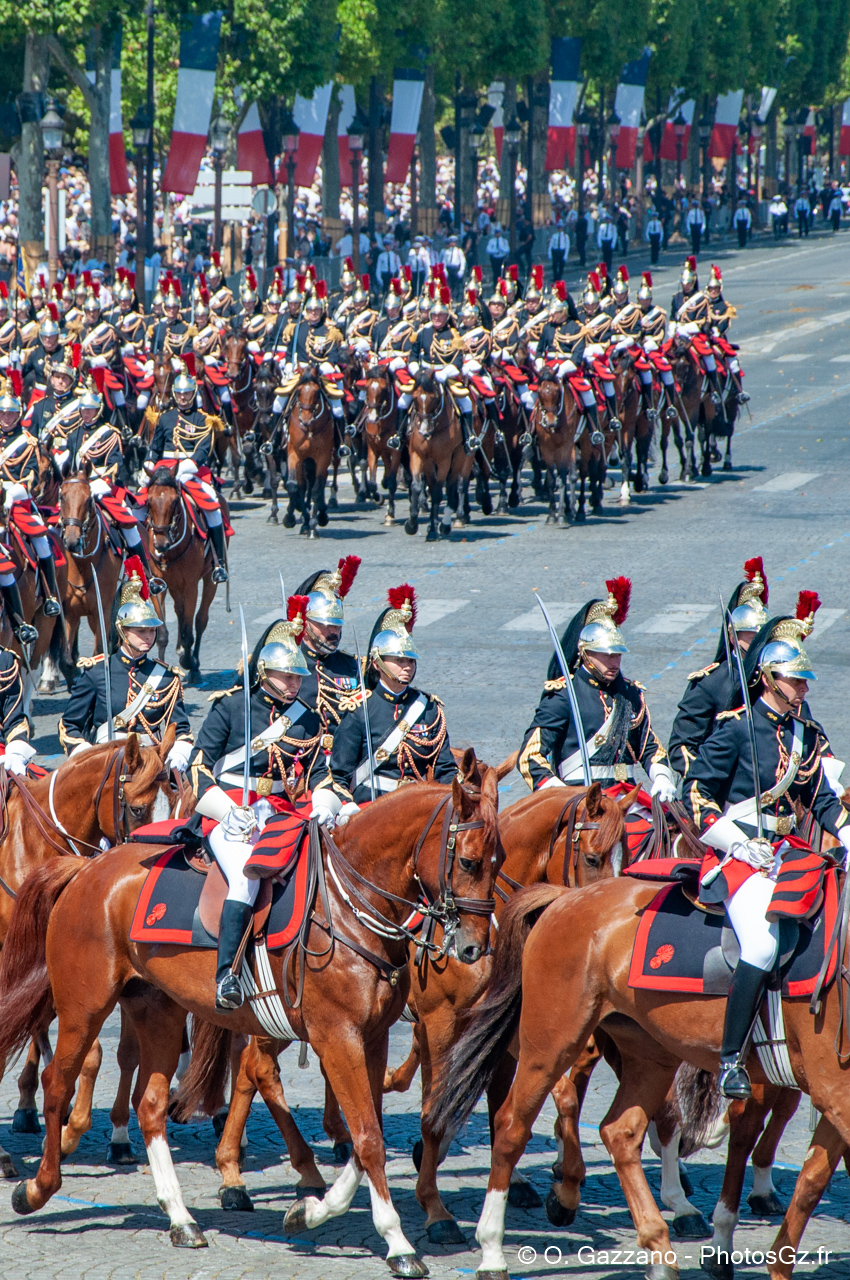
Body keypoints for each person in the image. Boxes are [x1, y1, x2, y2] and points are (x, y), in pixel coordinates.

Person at [685, 593, 850, 1099]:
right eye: (795, 680)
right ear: (769, 678)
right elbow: (698, 792)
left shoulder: (807, 735)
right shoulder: (734, 729)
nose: (802, 688)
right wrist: (735, 844)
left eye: (804, 681)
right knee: (761, 943)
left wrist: (847, 834)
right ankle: (732, 1058)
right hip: (739, 857)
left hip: (788, 855)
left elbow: (822, 798)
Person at [189, 596, 332, 1010]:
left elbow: (320, 770)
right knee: (246, 877)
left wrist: (324, 800)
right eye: (286, 676)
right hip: (232, 814)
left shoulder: (308, 717)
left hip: (284, 813)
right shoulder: (232, 707)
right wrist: (224, 810)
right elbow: (199, 769)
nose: (294, 683)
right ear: (265, 672)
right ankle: (227, 976)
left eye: (297, 676)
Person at [518, 577, 675, 798]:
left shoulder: (630, 694)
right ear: (586, 653)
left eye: (617, 654)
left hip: (627, 795)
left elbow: (650, 747)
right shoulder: (566, 694)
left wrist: (661, 776)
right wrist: (558, 794)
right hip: (581, 799)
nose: (614, 662)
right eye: (606, 655)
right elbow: (530, 756)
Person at [322, 584, 456, 808]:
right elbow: (339, 776)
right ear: (377, 662)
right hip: (372, 808)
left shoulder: (428, 708)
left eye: (410, 661)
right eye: (399, 661)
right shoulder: (359, 710)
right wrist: (349, 808)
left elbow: (446, 768)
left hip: (418, 807)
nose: (407, 667)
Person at [58, 561, 192, 759]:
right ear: (122, 630)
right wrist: (85, 754)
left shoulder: (165, 678)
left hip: (150, 764)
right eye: (141, 631)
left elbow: (181, 729)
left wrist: (179, 754)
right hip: (105, 761)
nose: (148, 636)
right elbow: (70, 726)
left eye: (151, 630)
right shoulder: (96, 672)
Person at [668, 557, 770, 778]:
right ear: (733, 637)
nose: (759, 646)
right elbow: (682, 747)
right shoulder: (710, 682)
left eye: (764, 638)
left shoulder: (778, 680)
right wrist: (710, 779)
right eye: (753, 638)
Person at [144, 362, 229, 584]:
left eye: (187, 393)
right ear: (174, 394)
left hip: (192, 471)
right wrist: (148, 466)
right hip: (163, 471)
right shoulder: (164, 417)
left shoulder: (203, 419)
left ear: (193, 394)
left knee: (212, 505)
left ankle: (218, 562)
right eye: (180, 394)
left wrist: (185, 468)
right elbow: (155, 447)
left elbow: (203, 451)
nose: (183, 398)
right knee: (139, 504)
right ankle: (137, 560)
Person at [0, 374, 62, 620]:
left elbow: (31, 480)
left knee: (41, 541)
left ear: (18, 415)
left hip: (16, 501)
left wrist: (8, 494)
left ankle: (49, 596)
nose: (6, 417)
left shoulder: (27, 443)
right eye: (3, 413)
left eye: (10, 414)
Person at [294, 556, 362, 736]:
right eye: (326, 625)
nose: (334, 632)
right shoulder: (288, 664)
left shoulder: (352, 666)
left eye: (337, 625)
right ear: (306, 623)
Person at [441, 235, 466, 299]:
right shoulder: (447, 251)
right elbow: (444, 261)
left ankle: (456, 297)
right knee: (449, 284)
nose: (452, 243)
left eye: (454, 242)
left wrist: (461, 270)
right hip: (449, 268)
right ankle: (450, 297)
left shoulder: (459, 251)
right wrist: (444, 270)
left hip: (456, 268)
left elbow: (462, 261)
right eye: (451, 242)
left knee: (456, 284)